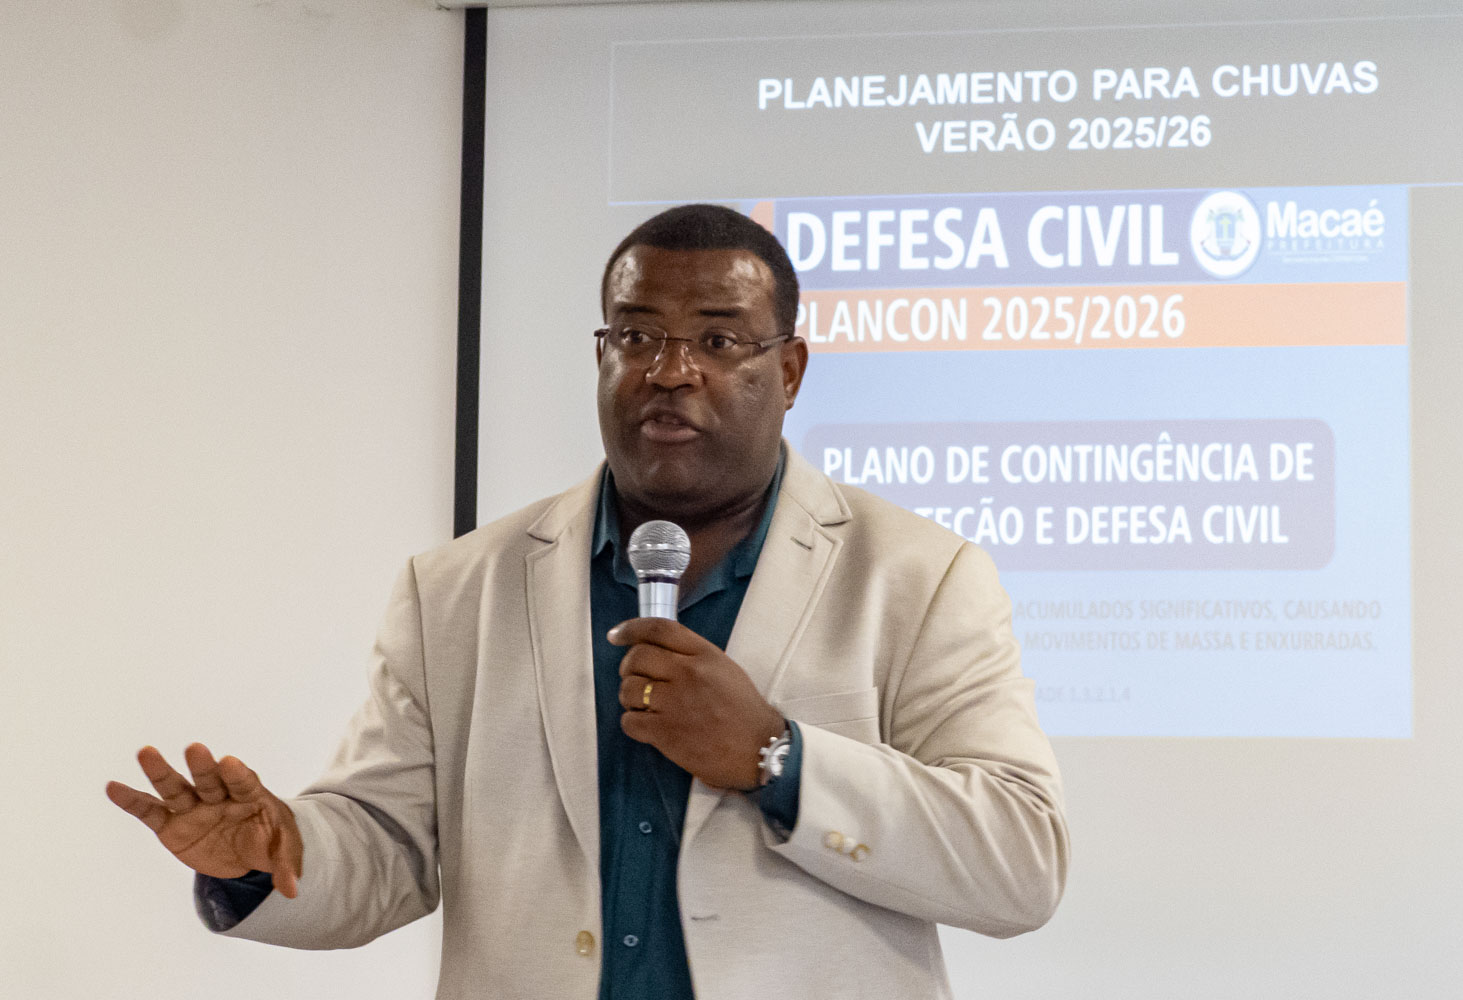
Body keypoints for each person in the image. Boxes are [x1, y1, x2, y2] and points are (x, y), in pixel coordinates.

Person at [106, 203, 1068, 999]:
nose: (670, 371)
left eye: (718, 340)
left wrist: (776, 758)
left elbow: (1019, 863)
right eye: (637, 336)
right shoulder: (458, 590)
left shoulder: (917, 576)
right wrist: (269, 853)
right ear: (601, 354)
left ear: (788, 371)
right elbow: (387, 846)